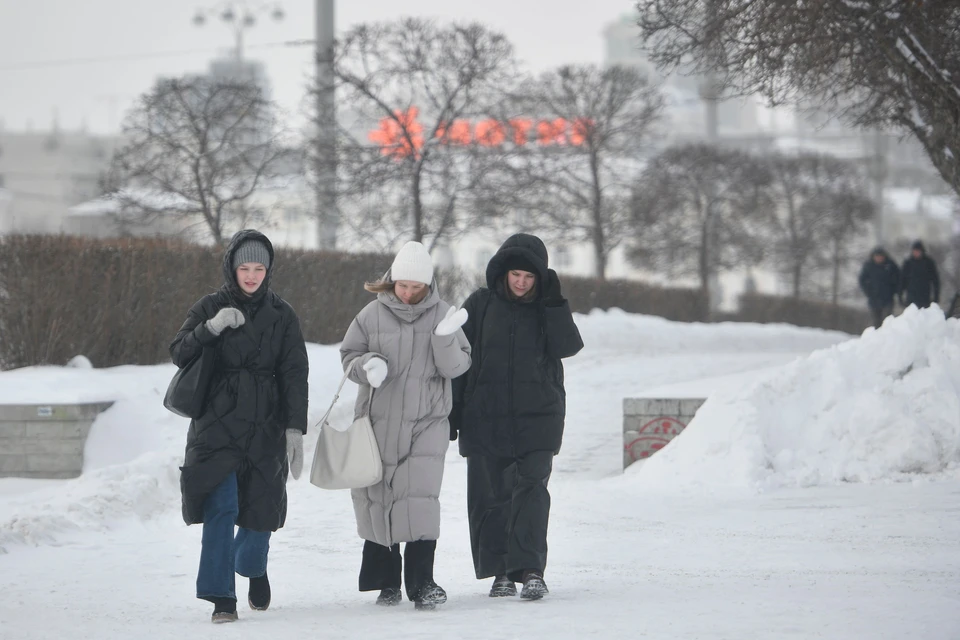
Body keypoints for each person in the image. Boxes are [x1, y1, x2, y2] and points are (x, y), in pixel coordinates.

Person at [170, 230, 309, 624]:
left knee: (260, 511)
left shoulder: (283, 315)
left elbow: (295, 372)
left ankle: (253, 567)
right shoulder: (210, 306)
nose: (251, 275)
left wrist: (294, 428)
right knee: (221, 507)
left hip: (266, 424)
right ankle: (221, 597)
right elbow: (179, 352)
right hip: (216, 424)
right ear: (232, 267)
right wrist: (210, 328)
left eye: (259, 267)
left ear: (268, 270)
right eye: (244, 267)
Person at [451, 233, 583, 601]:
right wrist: (454, 412)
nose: (522, 283)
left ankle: (531, 570)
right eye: (516, 275)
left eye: (530, 276)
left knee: (531, 493)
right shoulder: (479, 304)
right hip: (485, 417)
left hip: (538, 417)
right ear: (503, 273)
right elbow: (458, 361)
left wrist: (554, 303)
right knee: (490, 497)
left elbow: (567, 347)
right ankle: (501, 574)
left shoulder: (547, 306)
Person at [340, 241, 471, 610]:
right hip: (377, 422)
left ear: (428, 285)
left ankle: (422, 583)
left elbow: (458, 367)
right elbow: (348, 357)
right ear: (392, 281)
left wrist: (445, 340)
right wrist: (366, 365)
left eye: (417, 287)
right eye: (403, 286)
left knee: (419, 500)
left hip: (426, 422)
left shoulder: (443, 314)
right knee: (379, 498)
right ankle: (386, 581)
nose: (409, 294)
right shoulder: (369, 315)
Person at [858, 247, 901, 329]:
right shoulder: (868, 266)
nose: (879, 258)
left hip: (888, 298)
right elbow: (862, 280)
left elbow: (898, 279)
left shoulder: (891, 265)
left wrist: (894, 291)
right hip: (874, 299)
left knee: (888, 321)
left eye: (881, 256)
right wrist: (868, 292)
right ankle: (877, 338)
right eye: (877, 256)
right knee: (876, 322)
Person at [900, 240, 940, 309]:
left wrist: (936, 296)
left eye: (918, 251)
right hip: (911, 297)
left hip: (925, 297)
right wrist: (900, 296)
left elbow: (935, 280)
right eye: (914, 251)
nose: (916, 253)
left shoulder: (928, 262)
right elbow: (902, 280)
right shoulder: (908, 263)